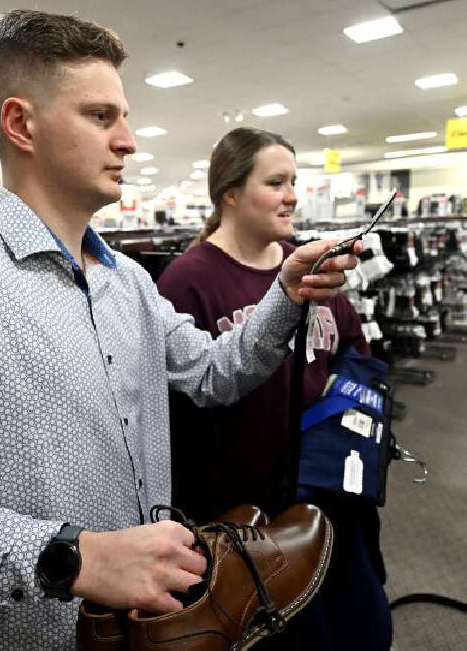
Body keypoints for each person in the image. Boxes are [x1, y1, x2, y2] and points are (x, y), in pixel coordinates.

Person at [0, 10, 358, 651]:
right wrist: (72, 558)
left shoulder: (127, 280)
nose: (128, 140)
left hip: (147, 631)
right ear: (21, 124)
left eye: (123, 117)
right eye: (101, 117)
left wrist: (284, 296)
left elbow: (215, 374)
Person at [156, 127, 392, 650]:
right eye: (276, 182)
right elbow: (178, 407)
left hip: (325, 501)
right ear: (231, 193)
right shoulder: (188, 280)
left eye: (294, 181)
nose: (291, 196)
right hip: (240, 521)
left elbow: (355, 355)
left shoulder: (308, 264)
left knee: (352, 631)